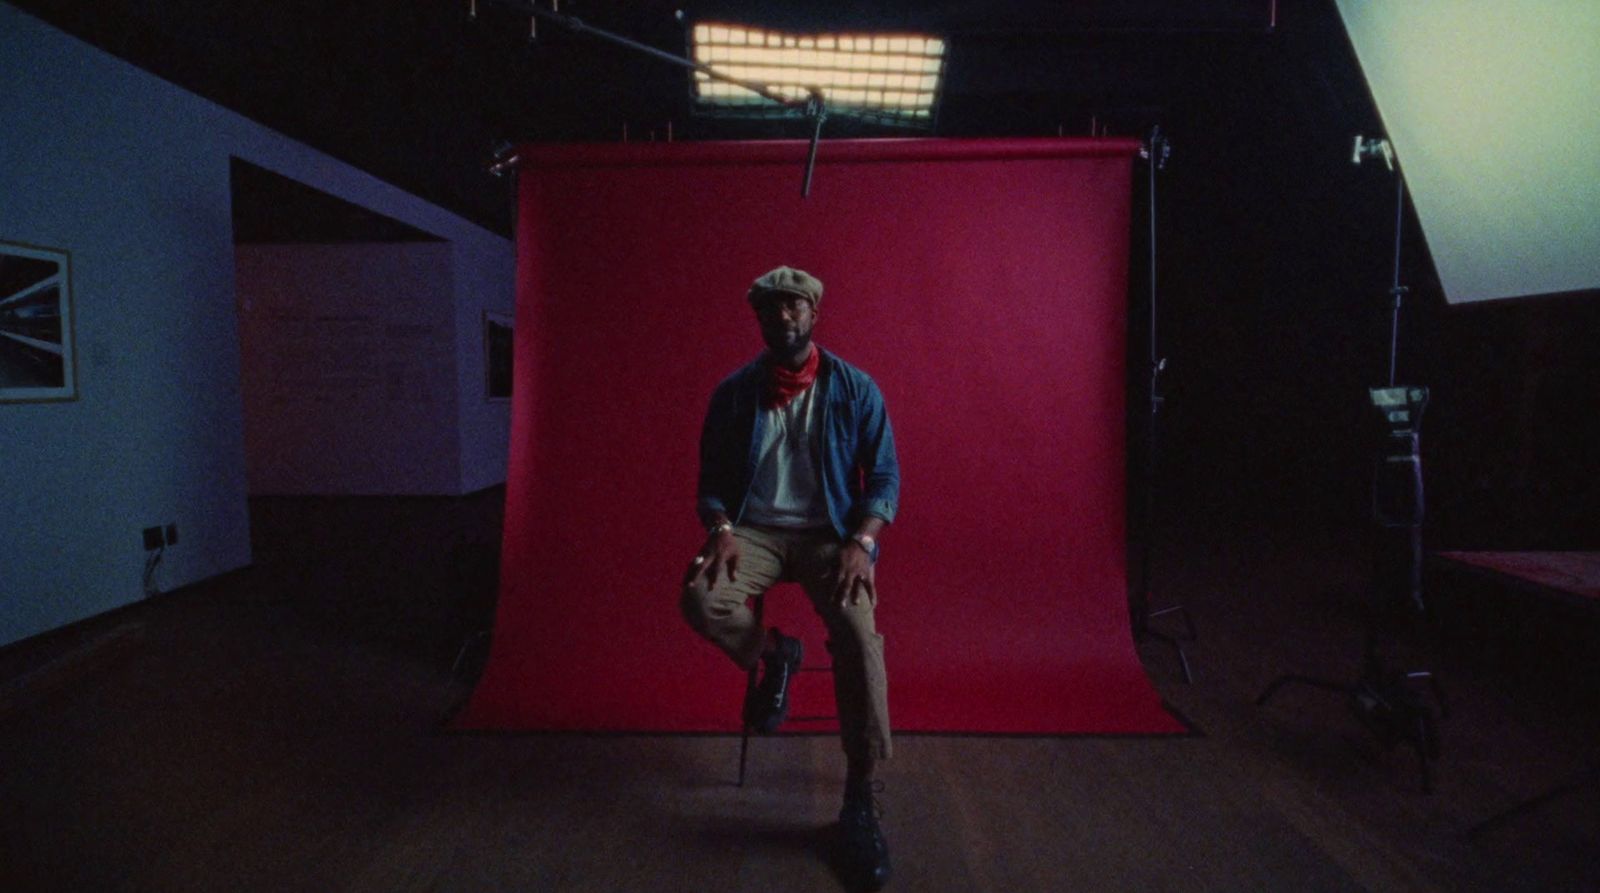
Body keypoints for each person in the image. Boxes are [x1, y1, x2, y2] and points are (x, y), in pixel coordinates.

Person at [681, 265, 899, 890]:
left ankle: (859, 795)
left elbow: (883, 480)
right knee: (700, 597)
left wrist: (861, 542)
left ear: (813, 314)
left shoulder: (854, 389)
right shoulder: (734, 393)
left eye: (795, 308)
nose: (785, 318)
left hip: (829, 534)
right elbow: (712, 483)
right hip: (753, 530)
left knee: (859, 636)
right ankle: (778, 655)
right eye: (773, 309)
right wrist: (720, 526)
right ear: (759, 318)